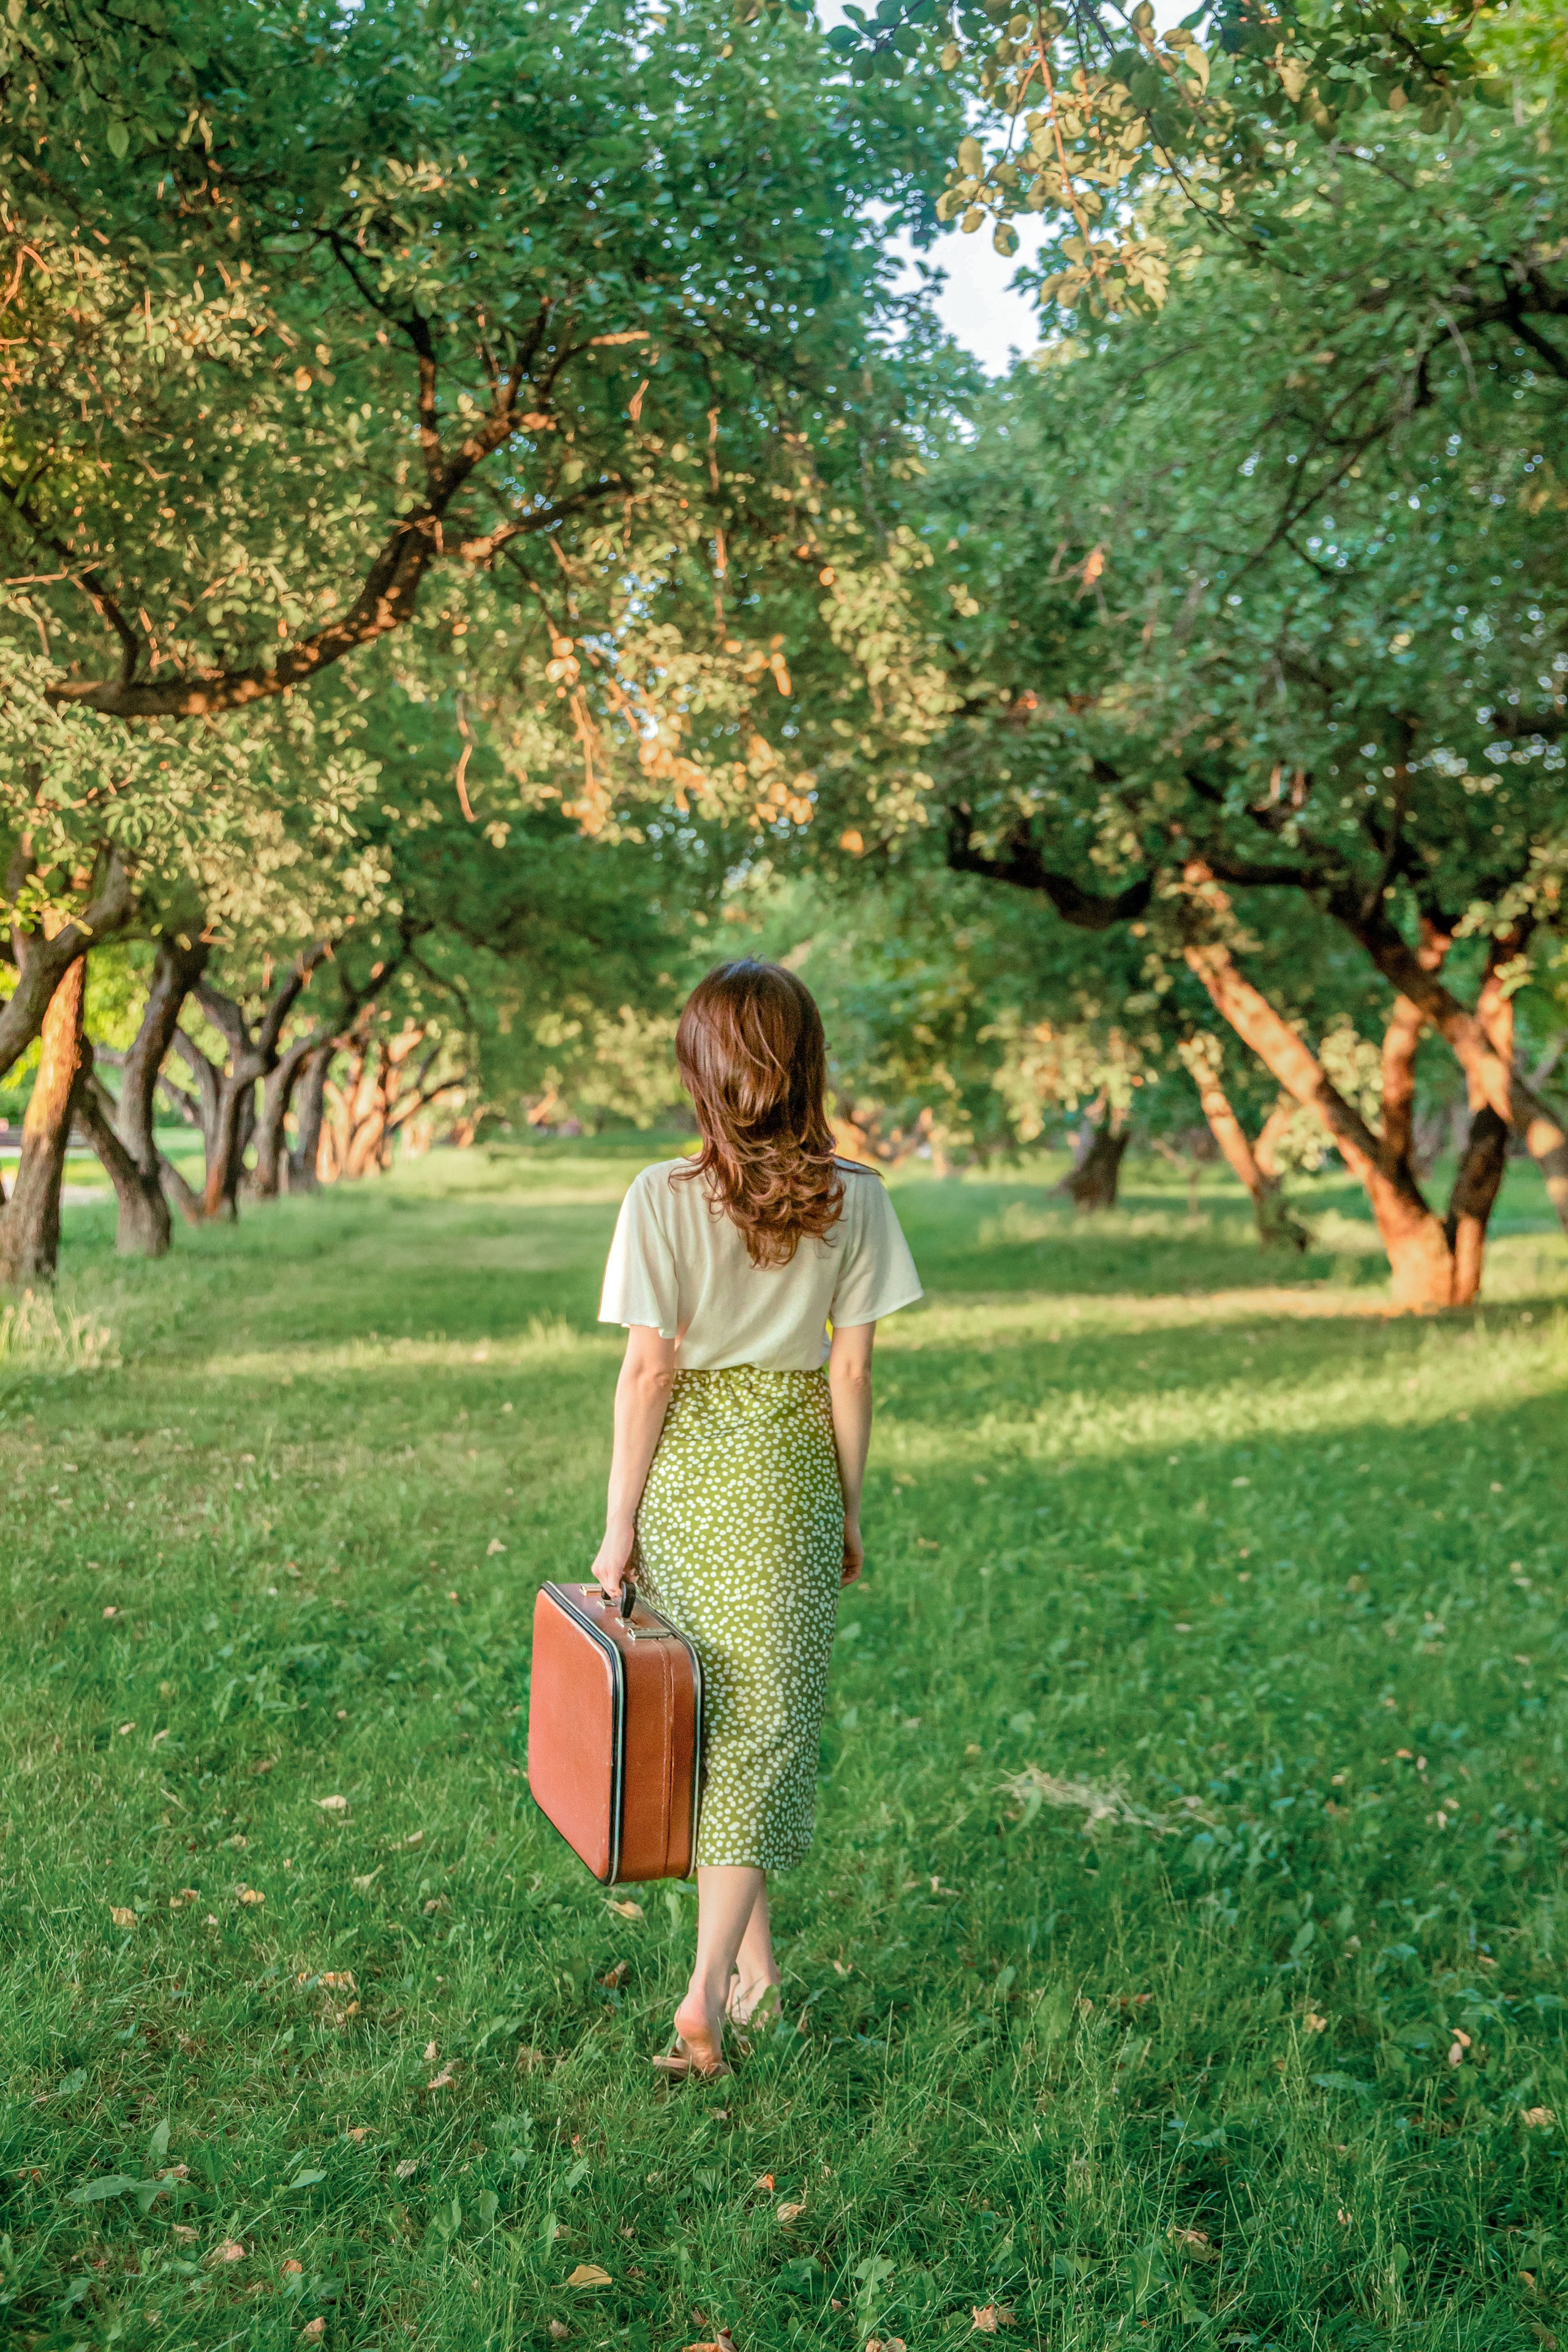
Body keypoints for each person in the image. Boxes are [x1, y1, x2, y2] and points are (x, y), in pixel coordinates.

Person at [593, 959, 922, 2078]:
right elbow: (854, 1373)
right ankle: (703, 2001)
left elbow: (647, 1373)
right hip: (785, 1476)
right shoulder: (859, 1196)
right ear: (807, 1065)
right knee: (762, 1734)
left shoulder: (658, 1197)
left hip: (686, 1478)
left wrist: (618, 1526)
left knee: (720, 1725)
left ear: (701, 1067)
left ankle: (755, 1974)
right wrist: (848, 1505)